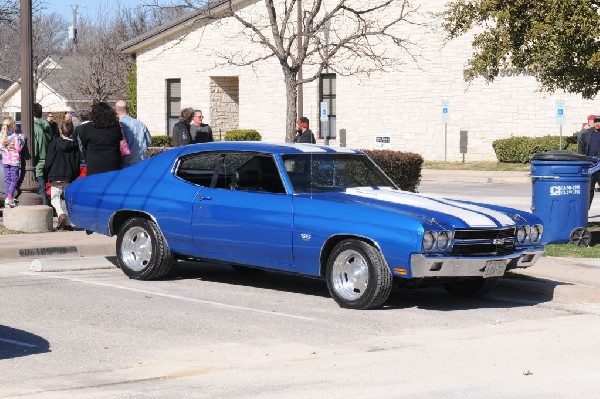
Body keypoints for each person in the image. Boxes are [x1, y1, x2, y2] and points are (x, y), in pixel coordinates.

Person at [44, 121, 80, 230]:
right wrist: (74, 174)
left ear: (60, 131)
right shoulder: (75, 145)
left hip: (56, 175)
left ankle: (60, 214)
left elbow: (49, 160)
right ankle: (68, 222)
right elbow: (76, 162)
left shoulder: (55, 143)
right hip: (69, 176)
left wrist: (47, 171)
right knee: (67, 200)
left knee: (55, 198)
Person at [79, 102, 122, 176]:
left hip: (94, 163)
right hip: (112, 162)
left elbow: (84, 145)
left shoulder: (86, 128)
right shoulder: (116, 127)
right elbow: (119, 139)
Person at [115, 100, 152, 167]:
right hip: (141, 161)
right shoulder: (140, 124)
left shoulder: (118, 125)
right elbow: (149, 141)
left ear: (116, 111)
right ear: (128, 109)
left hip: (125, 163)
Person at [1, 116, 25, 208]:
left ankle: (8, 198)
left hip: (5, 160)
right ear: (12, 125)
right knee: (14, 178)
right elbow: (19, 149)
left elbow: (1, 147)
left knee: (8, 179)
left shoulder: (2, 136)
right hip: (14, 160)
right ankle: (10, 197)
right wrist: (22, 139)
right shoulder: (15, 136)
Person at [33, 103, 54, 206]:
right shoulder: (47, 125)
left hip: (38, 163)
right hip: (47, 159)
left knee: (41, 191)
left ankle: (45, 209)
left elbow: (35, 150)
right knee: (44, 191)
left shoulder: (35, 128)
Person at [578, 115, 600, 207]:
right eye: (596, 121)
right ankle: (585, 212)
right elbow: (581, 149)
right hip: (591, 166)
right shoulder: (586, 134)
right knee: (589, 190)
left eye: (599, 122)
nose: (597, 124)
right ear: (592, 122)